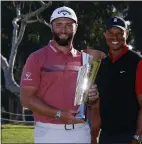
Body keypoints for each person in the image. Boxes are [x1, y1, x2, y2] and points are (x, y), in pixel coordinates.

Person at [20, 6, 102, 143]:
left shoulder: (85, 59)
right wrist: (59, 114)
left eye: (69, 25)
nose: (63, 30)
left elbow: (86, 100)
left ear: (76, 27)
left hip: (81, 131)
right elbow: (26, 99)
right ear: (51, 27)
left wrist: (92, 96)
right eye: (59, 24)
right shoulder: (36, 58)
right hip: (49, 132)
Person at [90, 16, 142, 144]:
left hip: (131, 136)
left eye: (120, 33)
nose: (115, 38)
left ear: (127, 34)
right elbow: (97, 106)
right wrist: (94, 137)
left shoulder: (139, 63)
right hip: (107, 137)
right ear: (105, 34)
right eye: (111, 33)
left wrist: (138, 137)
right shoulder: (102, 65)